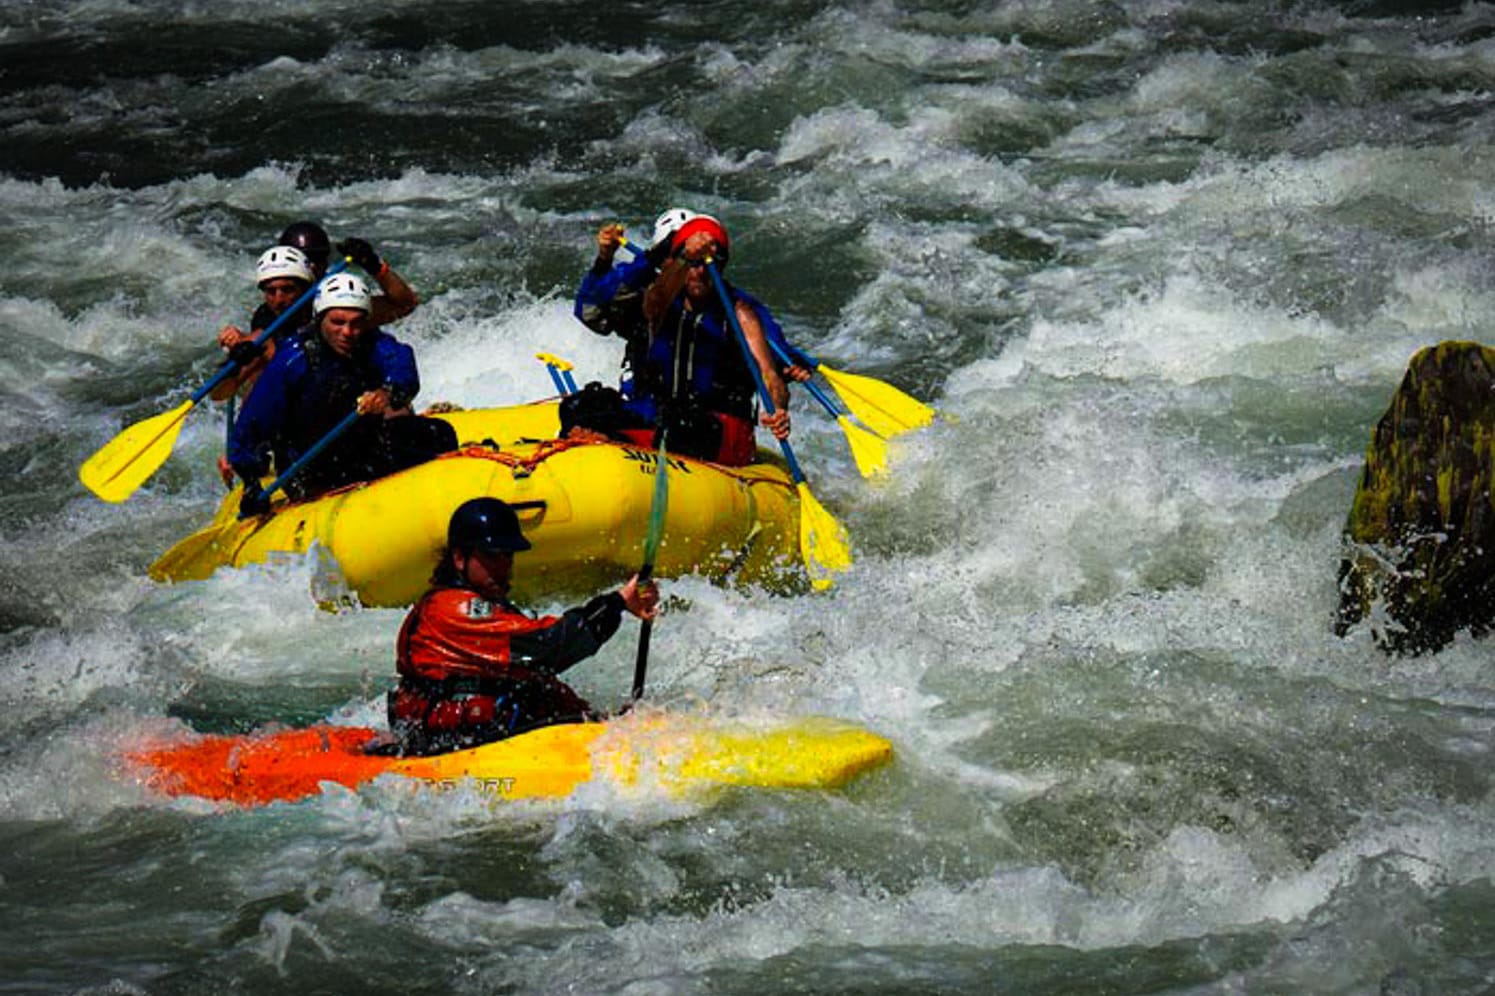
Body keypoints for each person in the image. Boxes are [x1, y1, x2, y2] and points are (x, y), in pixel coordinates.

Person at [387, 497, 659, 755]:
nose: (503, 566)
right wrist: (617, 602)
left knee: (537, 689)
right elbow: (548, 648)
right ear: (460, 558)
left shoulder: (487, 606)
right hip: (449, 744)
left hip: (477, 735)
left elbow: (538, 674)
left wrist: (602, 721)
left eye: (508, 555)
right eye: (492, 555)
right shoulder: (454, 609)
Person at [565, 213, 801, 466]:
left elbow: (770, 374)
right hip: (664, 417)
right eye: (692, 264)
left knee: (681, 422)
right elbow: (608, 305)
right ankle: (604, 449)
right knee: (581, 405)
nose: (699, 272)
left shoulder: (740, 313)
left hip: (717, 427)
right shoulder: (659, 301)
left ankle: (616, 444)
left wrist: (779, 407)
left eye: (707, 264)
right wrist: (607, 260)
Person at [226, 272, 458, 516]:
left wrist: (387, 392)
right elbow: (251, 425)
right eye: (337, 322)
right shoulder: (292, 359)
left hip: (362, 445)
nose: (348, 332)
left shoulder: (373, 343)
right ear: (320, 319)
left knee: (440, 433)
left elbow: (402, 366)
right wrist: (251, 483)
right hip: (309, 465)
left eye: (356, 323)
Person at [277, 220, 420, 329]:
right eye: (305, 260)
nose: (313, 266)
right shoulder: (273, 308)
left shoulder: (339, 299)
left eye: (318, 258)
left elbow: (405, 305)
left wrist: (374, 266)